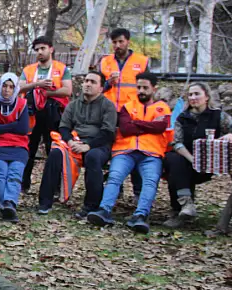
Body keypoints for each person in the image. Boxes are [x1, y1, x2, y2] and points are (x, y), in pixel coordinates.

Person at [87, 72, 171, 234]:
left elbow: (160, 127)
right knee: (115, 176)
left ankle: (140, 216)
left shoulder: (162, 107)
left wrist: (137, 123)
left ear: (154, 88)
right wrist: (147, 125)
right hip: (125, 150)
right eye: (138, 87)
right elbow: (125, 128)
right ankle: (104, 210)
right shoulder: (128, 106)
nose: (141, 91)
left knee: (150, 181)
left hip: (151, 153)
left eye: (145, 88)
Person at [163, 82, 232, 228]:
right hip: (187, 159)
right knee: (174, 160)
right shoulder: (182, 118)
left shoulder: (218, 115)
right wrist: (192, 159)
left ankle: (181, 210)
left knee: (176, 167)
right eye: (190, 95)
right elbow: (177, 143)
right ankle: (185, 206)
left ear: (207, 97)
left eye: (197, 94)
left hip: (209, 163)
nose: (193, 97)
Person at [37, 71, 117, 218]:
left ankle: (91, 206)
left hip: (98, 145)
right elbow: (64, 127)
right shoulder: (73, 105)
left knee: (92, 157)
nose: (87, 84)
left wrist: (88, 146)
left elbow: (108, 132)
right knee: (55, 153)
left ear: (100, 88)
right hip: (74, 142)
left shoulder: (108, 106)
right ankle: (45, 202)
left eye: (93, 82)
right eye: (86, 81)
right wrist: (70, 141)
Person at [100, 28, 150, 199]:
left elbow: (148, 88)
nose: (117, 45)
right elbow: (100, 87)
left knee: (134, 148)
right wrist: (108, 82)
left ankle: (138, 190)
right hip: (110, 112)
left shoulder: (141, 61)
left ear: (128, 41)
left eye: (121, 41)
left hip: (133, 112)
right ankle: (116, 187)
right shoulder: (105, 62)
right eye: (114, 42)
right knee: (114, 150)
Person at [19, 36, 72, 193]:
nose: (39, 52)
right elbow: (20, 88)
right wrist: (37, 85)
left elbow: (67, 90)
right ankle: (23, 184)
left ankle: (54, 187)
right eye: (37, 50)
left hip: (53, 113)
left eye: (43, 48)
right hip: (31, 114)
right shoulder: (29, 70)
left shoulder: (62, 69)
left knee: (53, 149)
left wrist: (45, 92)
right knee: (29, 148)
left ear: (51, 49)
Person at [0, 73, 30, 222]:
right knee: (1, 173)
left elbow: (23, 128)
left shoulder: (22, 104)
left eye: (11, 87)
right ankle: (7, 206)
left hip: (18, 146)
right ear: (0, 86)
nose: (7, 90)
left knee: (15, 172)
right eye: (4, 85)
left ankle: (9, 203)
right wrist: (12, 125)